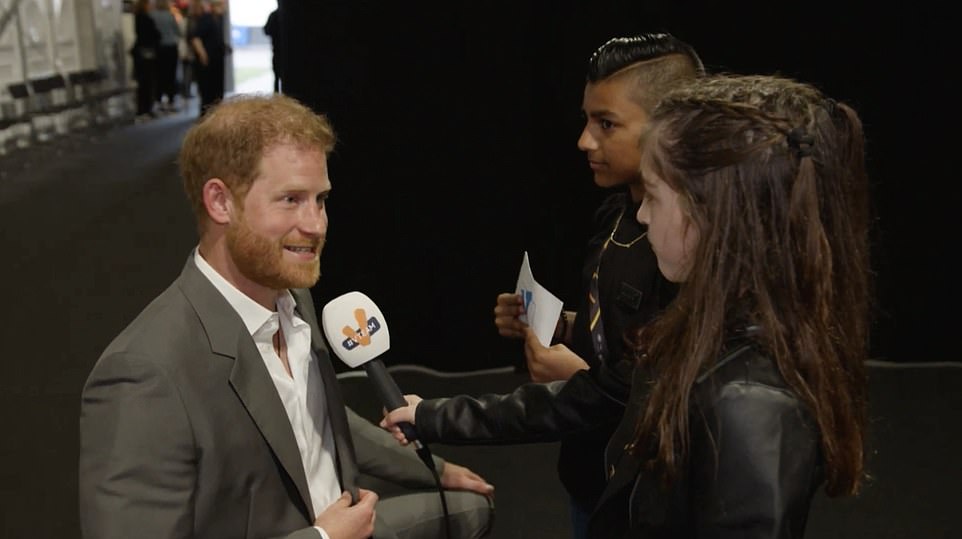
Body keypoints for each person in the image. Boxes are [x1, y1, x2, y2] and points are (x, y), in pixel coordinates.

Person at [383, 73, 872, 538]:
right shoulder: (698, 327)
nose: (639, 214)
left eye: (655, 198)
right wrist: (437, 415)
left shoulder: (746, 404)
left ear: (716, 215)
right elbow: (613, 394)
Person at [79, 94, 494, 539]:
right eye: (291, 199)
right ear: (221, 202)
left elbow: (316, 417)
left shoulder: (294, 294)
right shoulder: (144, 374)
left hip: (348, 524)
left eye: (321, 199)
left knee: (473, 508)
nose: (316, 225)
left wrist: (435, 469)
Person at [492, 33, 703, 537]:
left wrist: (583, 378)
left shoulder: (689, 250)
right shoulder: (615, 211)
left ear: (670, 128)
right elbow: (621, 330)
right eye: (587, 120)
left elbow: (678, 391)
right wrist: (562, 328)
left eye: (606, 124)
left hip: (651, 500)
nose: (585, 141)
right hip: (593, 481)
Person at [189, 0, 230, 116]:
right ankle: (205, 115)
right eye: (223, 5)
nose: (225, 8)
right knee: (208, 91)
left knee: (217, 90)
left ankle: (215, 114)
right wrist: (203, 55)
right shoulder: (207, 18)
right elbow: (195, 38)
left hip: (216, 60)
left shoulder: (218, 20)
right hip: (207, 62)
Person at [150, 0, 182, 112]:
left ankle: (159, 100)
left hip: (158, 49)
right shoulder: (170, 15)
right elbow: (178, 32)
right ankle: (171, 101)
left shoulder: (152, 15)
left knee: (159, 75)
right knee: (171, 75)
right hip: (171, 48)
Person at [130, 0, 161, 119]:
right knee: (146, 83)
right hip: (146, 54)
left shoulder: (139, 18)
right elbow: (153, 35)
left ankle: (145, 108)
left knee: (145, 83)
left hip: (143, 54)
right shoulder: (144, 18)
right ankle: (145, 109)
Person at [264, 5, 284, 93]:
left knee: (277, 78)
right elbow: (266, 30)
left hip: (278, 53)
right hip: (279, 53)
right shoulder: (276, 15)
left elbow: (266, 30)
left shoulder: (274, 15)